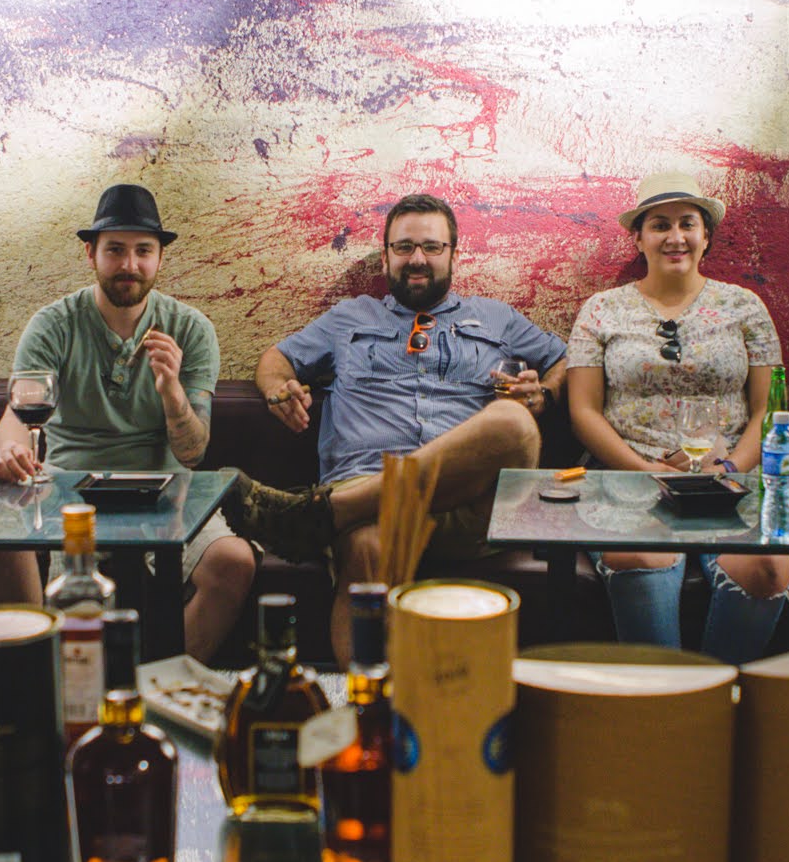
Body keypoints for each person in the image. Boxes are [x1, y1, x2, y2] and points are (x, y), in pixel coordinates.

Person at [223, 193, 567, 660]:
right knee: (368, 548)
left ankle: (323, 514)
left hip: (470, 502)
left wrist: (545, 393)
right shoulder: (349, 317)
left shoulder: (497, 317)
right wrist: (277, 389)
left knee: (513, 420)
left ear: (453, 254)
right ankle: (371, 701)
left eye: (431, 246)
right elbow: (277, 358)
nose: (417, 258)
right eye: (404, 247)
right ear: (386, 256)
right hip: (371, 497)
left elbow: (566, 359)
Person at [0, 185, 256, 660]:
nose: (129, 264)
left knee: (235, 562)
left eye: (143, 251)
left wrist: (171, 390)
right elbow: (15, 414)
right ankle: (38, 676)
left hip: (167, 491)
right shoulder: (54, 324)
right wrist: (10, 450)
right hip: (68, 487)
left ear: (160, 258)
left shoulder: (191, 329)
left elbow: (193, 453)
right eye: (115, 250)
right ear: (91, 254)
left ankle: (157, 686)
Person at [565, 171, 789, 661]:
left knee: (769, 566)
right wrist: (645, 471)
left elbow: (770, 409)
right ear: (639, 238)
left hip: (729, 484)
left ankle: (717, 692)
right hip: (630, 479)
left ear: (706, 236)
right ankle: (671, 698)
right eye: (659, 225)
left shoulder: (744, 306)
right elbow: (583, 411)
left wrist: (730, 469)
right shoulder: (601, 310)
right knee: (639, 554)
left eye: (688, 223)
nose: (675, 236)